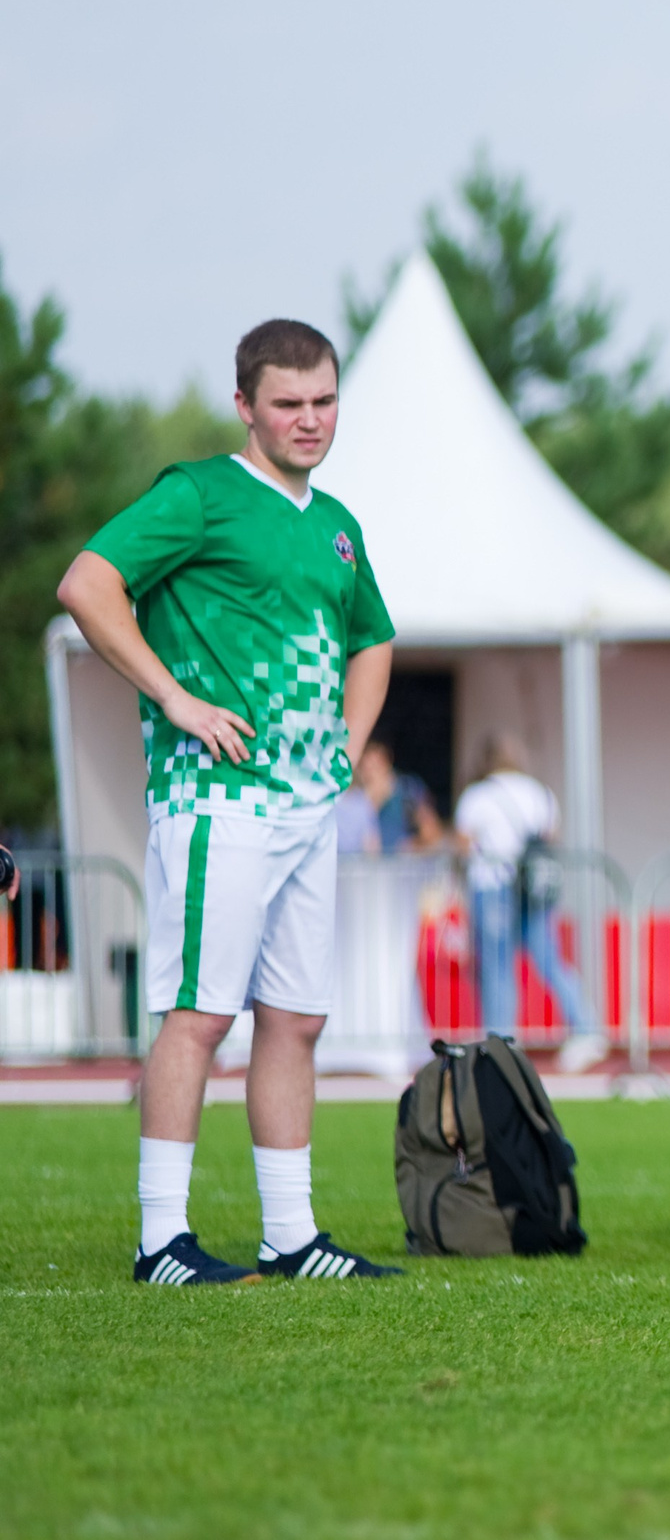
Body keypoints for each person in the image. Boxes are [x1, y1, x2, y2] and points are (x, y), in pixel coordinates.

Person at [55, 318, 403, 1284]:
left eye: (325, 400)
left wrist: (351, 740)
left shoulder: (336, 521)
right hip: (217, 798)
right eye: (287, 403)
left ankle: (291, 1238)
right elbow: (86, 584)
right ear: (244, 403)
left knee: (295, 1021)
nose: (310, 419)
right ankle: (161, 1240)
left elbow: (373, 636)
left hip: (306, 804)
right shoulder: (199, 494)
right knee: (200, 1016)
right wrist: (174, 696)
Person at [453, 735, 605, 1075]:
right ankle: (587, 1027)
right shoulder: (539, 792)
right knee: (548, 957)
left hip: (491, 885)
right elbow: (550, 836)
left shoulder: (477, 796)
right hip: (533, 887)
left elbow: (463, 845)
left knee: (496, 964)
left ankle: (501, 1040)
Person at [357, 738, 445, 853]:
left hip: (401, 866)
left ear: (387, 764)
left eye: (376, 768)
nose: (372, 775)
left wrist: (413, 845)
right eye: (366, 770)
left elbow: (432, 832)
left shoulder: (407, 789)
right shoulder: (353, 797)